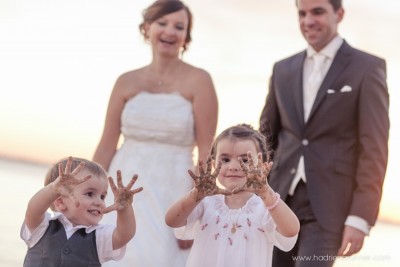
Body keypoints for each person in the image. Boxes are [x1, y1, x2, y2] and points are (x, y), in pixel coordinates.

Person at [259, 0, 390, 266]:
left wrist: (360, 217)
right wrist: (252, 193)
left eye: (317, 12)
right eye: (302, 13)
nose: (308, 20)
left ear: (339, 14)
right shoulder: (282, 69)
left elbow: (374, 147)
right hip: (277, 200)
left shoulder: (367, 68)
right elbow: (265, 137)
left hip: (330, 207)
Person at [92, 0, 218, 266]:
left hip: (173, 192)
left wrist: (195, 209)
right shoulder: (126, 81)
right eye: (162, 23)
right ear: (147, 28)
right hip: (122, 187)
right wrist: (85, 192)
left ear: (186, 37)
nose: (170, 32)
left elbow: (207, 152)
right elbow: (106, 145)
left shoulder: (200, 80)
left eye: (179, 26)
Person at [165, 124, 300, 267]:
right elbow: (171, 220)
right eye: (225, 160)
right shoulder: (205, 202)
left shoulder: (266, 207)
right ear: (213, 163)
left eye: (245, 160)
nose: (233, 166)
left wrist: (266, 192)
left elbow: (291, 230)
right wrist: (196, 194)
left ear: (262, 164)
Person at [20, 156, 143, 267]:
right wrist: (53, 189)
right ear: (60, 201)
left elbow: (124, 235)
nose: (99, 202)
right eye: (90, 194)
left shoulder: (99, 237)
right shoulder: (42, 228)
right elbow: (33, 210)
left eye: (102, 196)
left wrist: (125, 209)